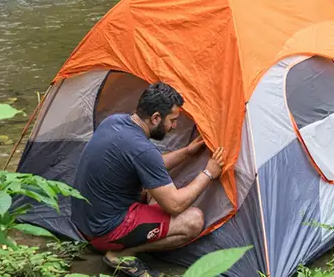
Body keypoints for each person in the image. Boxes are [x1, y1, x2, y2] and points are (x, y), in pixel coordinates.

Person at [73, 82, 227, 277]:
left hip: (85, 222)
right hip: (102, 233)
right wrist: (208, 173)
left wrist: (187, 152)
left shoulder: (114, 121)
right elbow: (175, 205)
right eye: (172, 120)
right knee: (193, 220)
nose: (174, 126)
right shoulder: (143, 149)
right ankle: (121, 253)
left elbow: (148, 165)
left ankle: (124, 240)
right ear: (156, 118)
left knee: (158, 187)